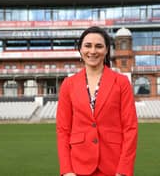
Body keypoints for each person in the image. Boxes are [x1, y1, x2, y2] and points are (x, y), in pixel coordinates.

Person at [56, 26, 138, 176]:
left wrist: (124, 171)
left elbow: (130, 129)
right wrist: (66, 170)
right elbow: (63, 130)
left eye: (99, 46)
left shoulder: (121, 82)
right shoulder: (68, 84)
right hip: (77, 166)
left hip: (113, 167)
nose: (93, 51)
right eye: (88, 46)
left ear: (106, 50)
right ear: (80, 49)